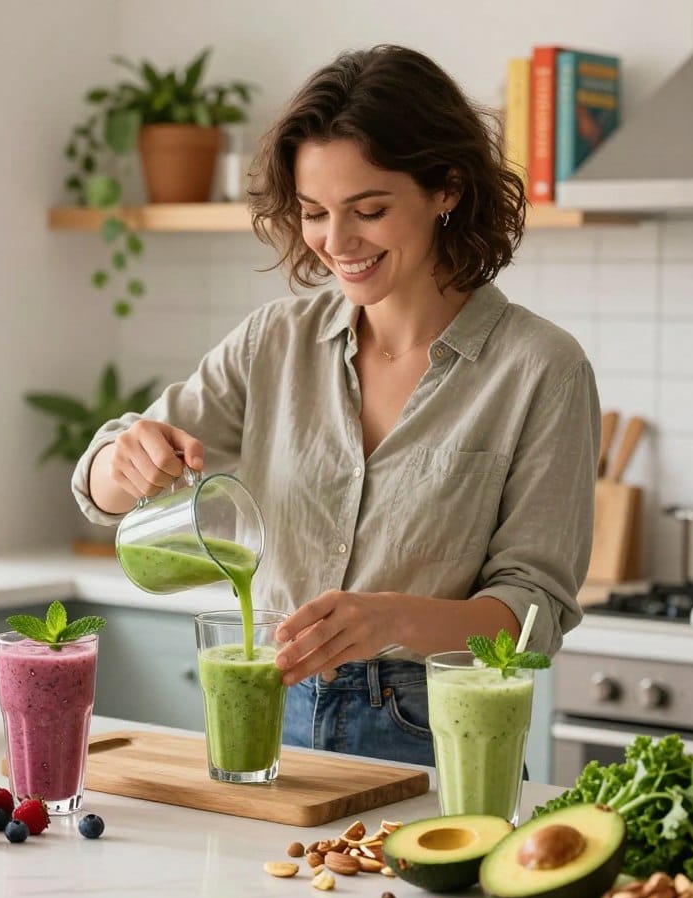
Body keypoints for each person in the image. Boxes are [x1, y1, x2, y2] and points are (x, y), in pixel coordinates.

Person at [71, 44, 600, 767]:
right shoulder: (273, 342)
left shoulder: (541, 367)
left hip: (436, 734)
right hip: (267, 714)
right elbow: (103, 490)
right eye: (315, 212)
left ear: (445, 188)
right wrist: (122, 458)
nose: (336, 243)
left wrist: (392, 618)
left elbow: (533, 615)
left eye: (369, 210)